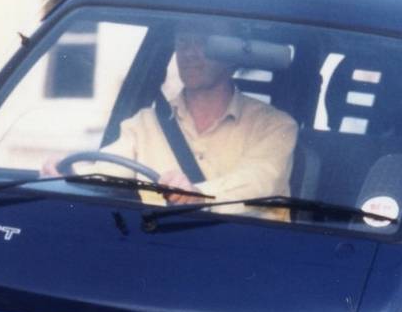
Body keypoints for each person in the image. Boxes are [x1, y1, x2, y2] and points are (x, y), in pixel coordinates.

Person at [44, 25, 297, 215]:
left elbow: (260, 181)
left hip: (244, 257)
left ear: (231, 54)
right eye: (183, 42)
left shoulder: (275, 126)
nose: (189, 53)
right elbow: (107, 172)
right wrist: (68, 173)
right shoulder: (144, 124)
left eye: (204, 42)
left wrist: (200, 195)